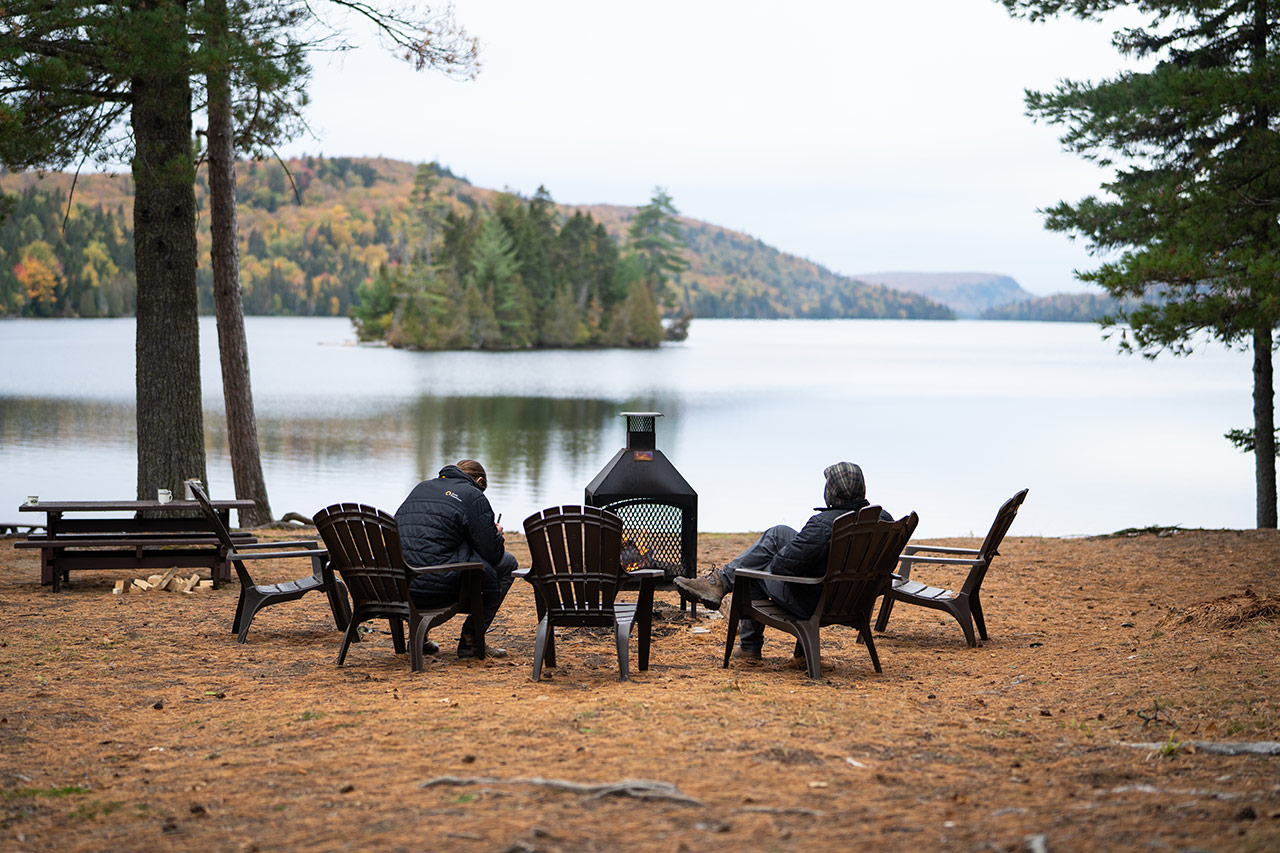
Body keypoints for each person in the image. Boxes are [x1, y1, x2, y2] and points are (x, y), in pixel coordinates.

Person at [674, 461, 893, 661]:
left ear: (831, 493)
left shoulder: (822, 525)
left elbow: (780, 567)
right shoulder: (883, 520)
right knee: (779, 533)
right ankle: (720, 582)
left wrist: (783, 554)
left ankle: (742, 631)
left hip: (813, 600)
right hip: (852, 598)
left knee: (753, 568)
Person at [395, 459, 518, 659]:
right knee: (508, 563)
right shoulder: (472, 495)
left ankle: (419, 637)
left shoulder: (422, 487)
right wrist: (495, 534)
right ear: (479, 481)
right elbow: (493, 553)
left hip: (400, 586)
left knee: (427, 550)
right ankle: (471, 640)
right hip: (435, 589)